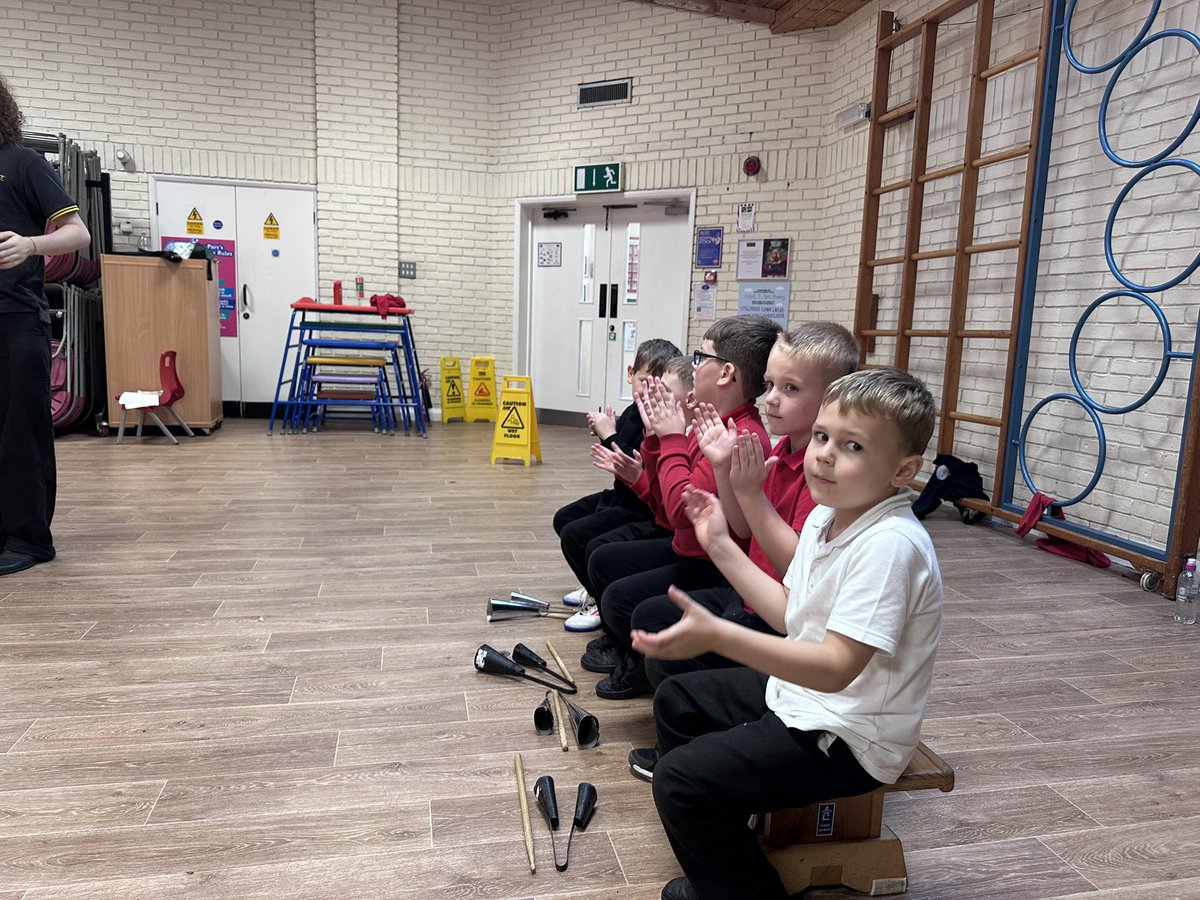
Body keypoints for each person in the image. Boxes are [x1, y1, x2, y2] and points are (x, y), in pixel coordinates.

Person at [631, 368, 942, 900]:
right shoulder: (829, 516)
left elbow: (835, 666)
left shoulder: (891, 545)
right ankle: (725, 848)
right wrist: (720, 544)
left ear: (904, 470)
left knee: (680, 782)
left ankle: (740, 885)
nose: (823, 454)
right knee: (679, 697)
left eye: (852, 446)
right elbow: (792, 612)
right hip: (808, 701)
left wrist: (720, 637)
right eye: (822, 437)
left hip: (853, 737)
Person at [628, 323, 859, 719]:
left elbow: (798, 570)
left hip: (778, 616)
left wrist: (746, 492)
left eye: (790, 389)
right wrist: (723, 469)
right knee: (649, 622)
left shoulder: (820, 471)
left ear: (831, 399)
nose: (769, 399)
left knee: (668, 663)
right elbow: (745, 529)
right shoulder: (781, 446)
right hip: (756, 597)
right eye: (769, 385)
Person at [581, 315, 780, 699]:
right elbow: (663, 501)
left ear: (725, 373)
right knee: (603, 560)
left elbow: (678, 514)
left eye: (698, 357)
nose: (693, 365)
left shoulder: (738, 435)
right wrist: (657, 443)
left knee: (623, 599)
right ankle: (631, 652)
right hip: (691, 549)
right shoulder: (713, 422)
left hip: (711, 564)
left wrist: (670, 436)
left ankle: (640, 664)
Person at [0, 73, 92, 577]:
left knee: (22, 432)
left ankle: (29, 539)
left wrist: (30, 244)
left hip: (16, 317)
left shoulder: (23, 162)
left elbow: (79, 234)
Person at [551, 337, 680, 629]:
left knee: (580, 536)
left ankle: (599, 598)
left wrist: (609, 435)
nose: (649, 392)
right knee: (565, 519)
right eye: (644, 381)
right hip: (622, 495)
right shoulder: (633, 413)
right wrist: (606, 434)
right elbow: (622, 464)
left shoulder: (661, 420)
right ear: (630, 373)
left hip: (641, 506)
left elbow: (633, 466)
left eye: (659, 386)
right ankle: (594, 585)